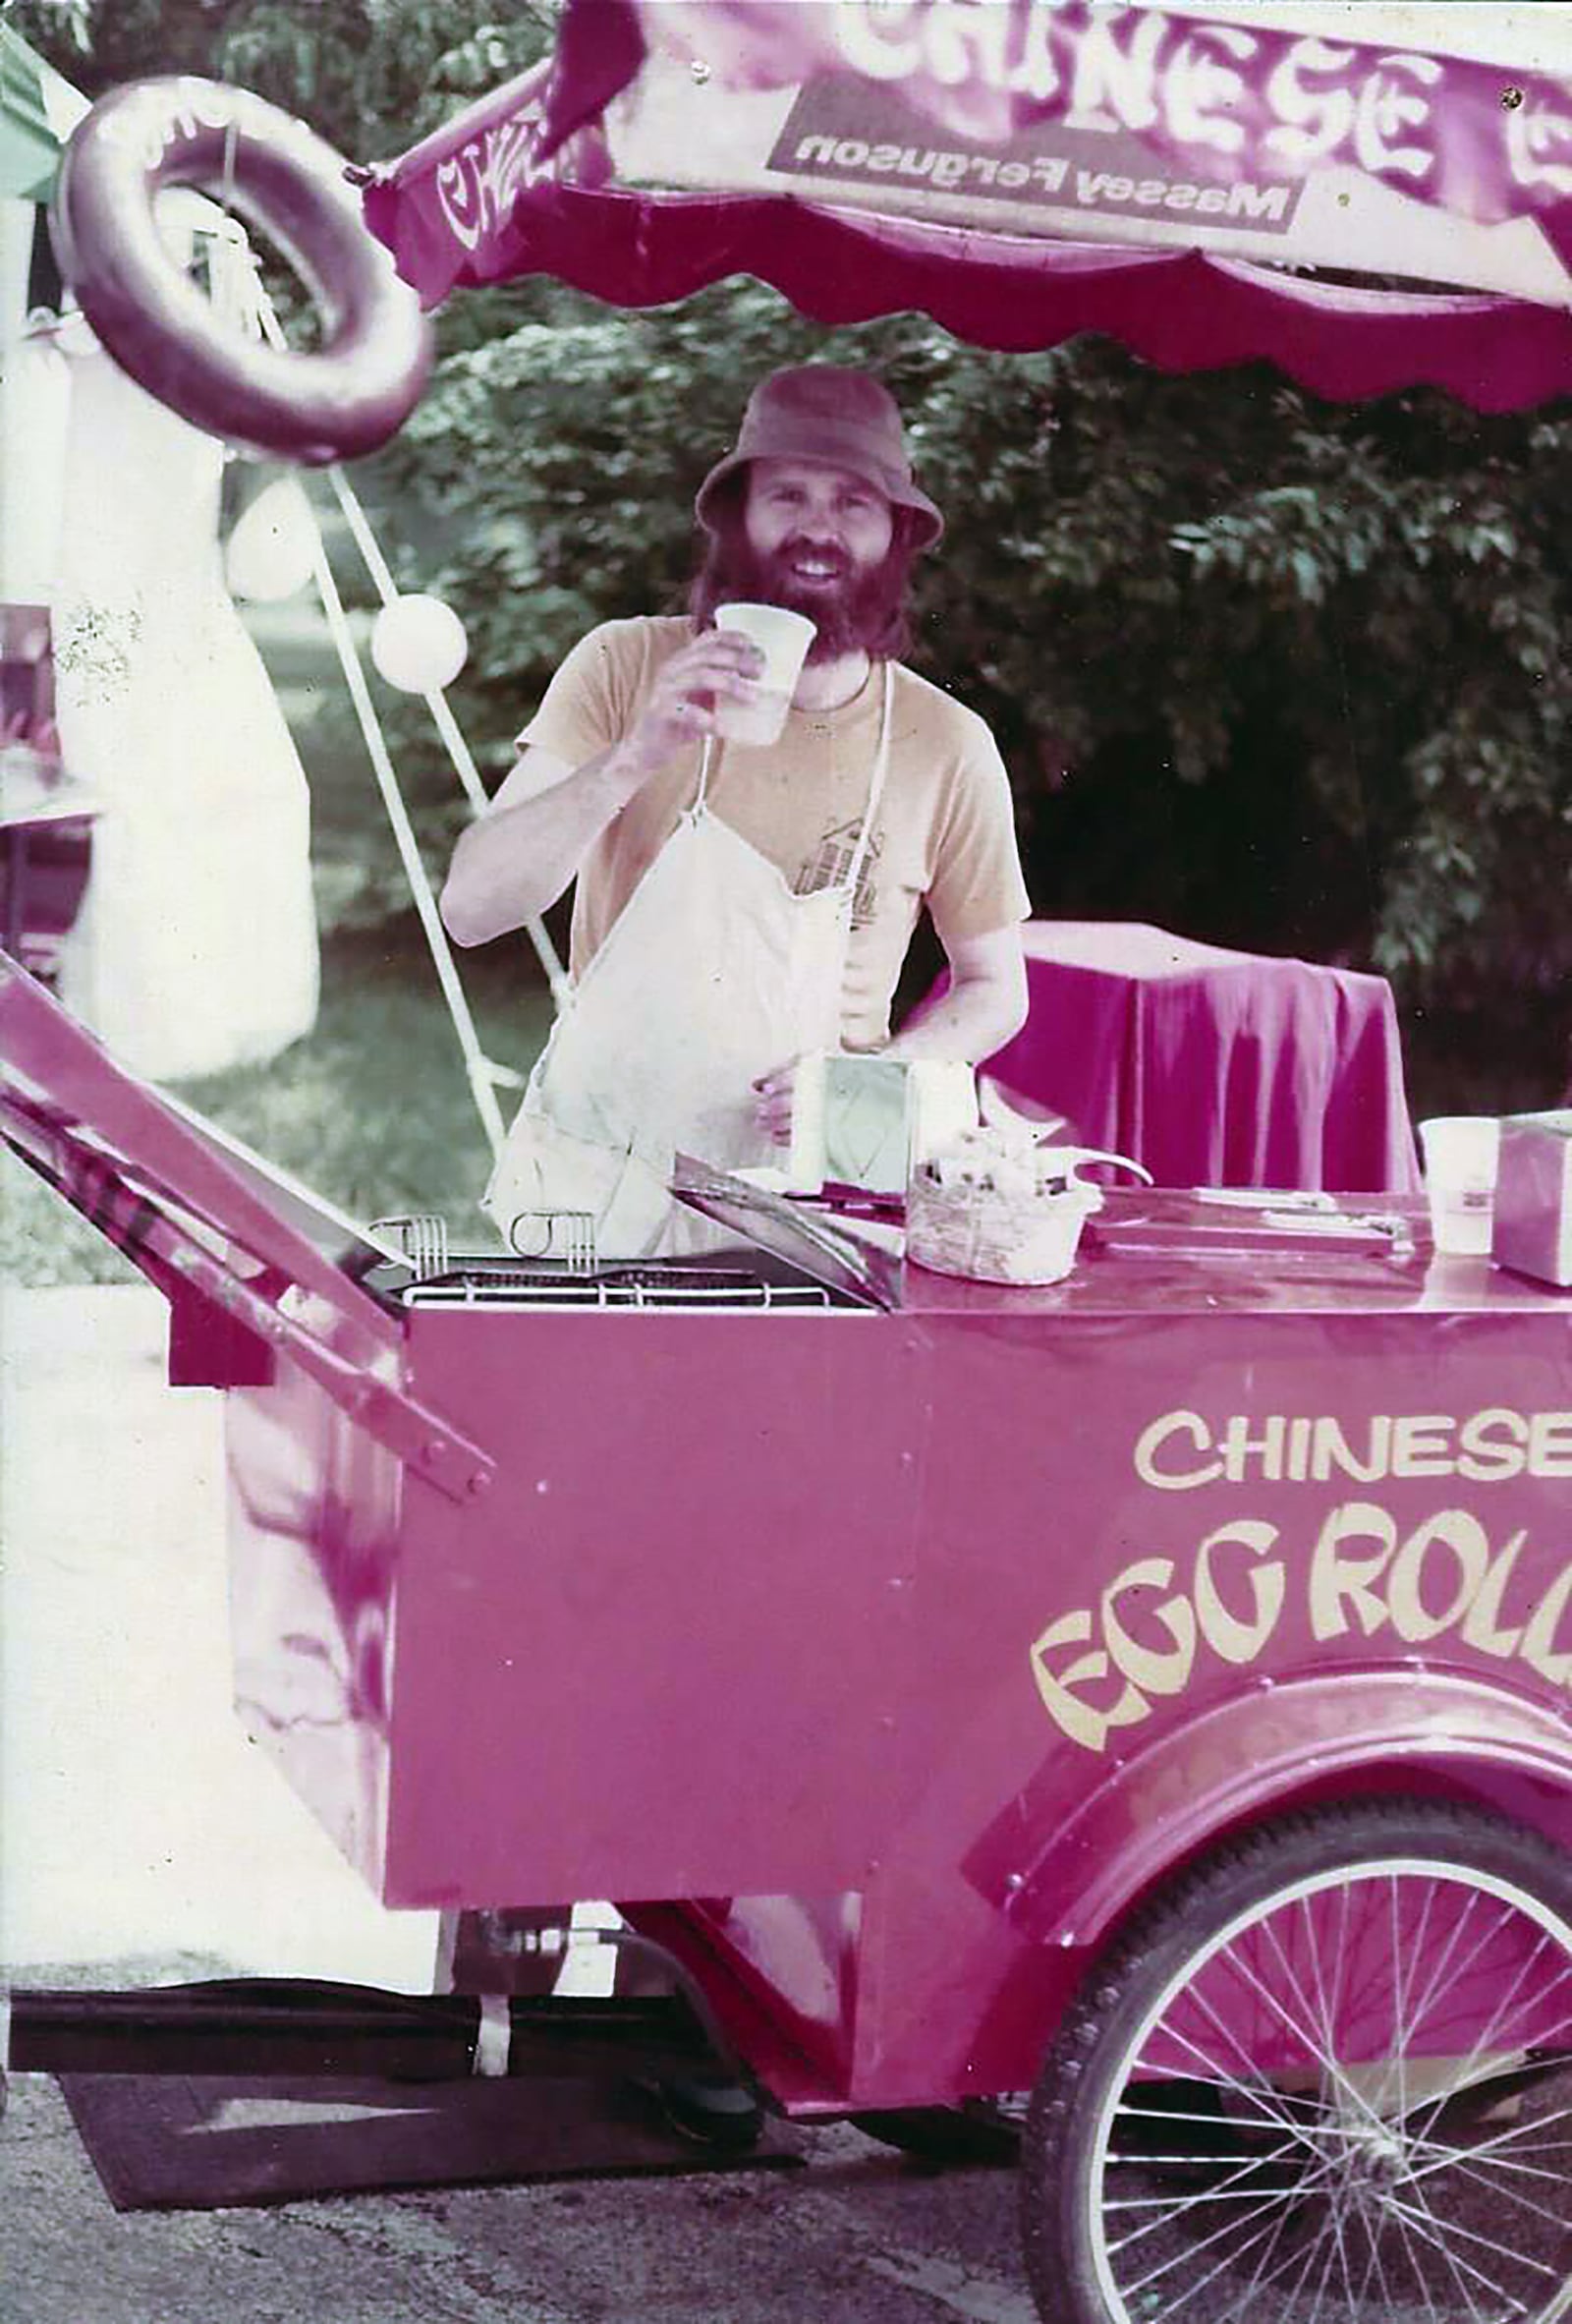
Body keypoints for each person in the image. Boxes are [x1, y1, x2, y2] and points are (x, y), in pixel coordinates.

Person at [441, 363, 1032, 1256]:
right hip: (594, 1190)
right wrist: (636, 752)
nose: (818, 530)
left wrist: (873, 1081)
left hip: (811, 1209)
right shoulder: (623, 666)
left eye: (853, 503)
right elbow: (471, 910)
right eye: (787, 495)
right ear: (739, 521)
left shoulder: (944, 743)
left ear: (895, 537)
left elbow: (996, 988)